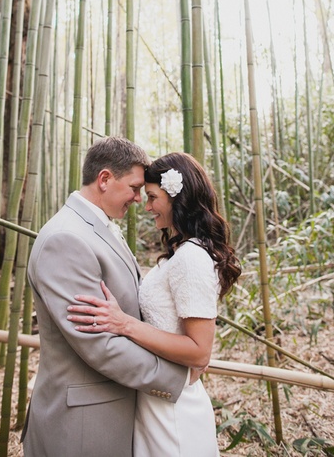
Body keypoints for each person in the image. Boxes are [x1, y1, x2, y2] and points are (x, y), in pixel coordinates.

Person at [21, 137, 190, 457]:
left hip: (111, 409)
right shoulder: (66, 238)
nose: (139, 199)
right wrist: (174, 378)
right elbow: (98, 343)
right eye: (135, 187)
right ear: (105, 179)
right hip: (84, 422)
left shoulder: (99, 227)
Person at [67, 152, 242, 457]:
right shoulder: (182, 251)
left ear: (178, 197)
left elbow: (200, 351)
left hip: (173, 411)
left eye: (151, 197)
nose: (145, 206)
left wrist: (124, 324)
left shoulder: (190, 257)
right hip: (156, 397)